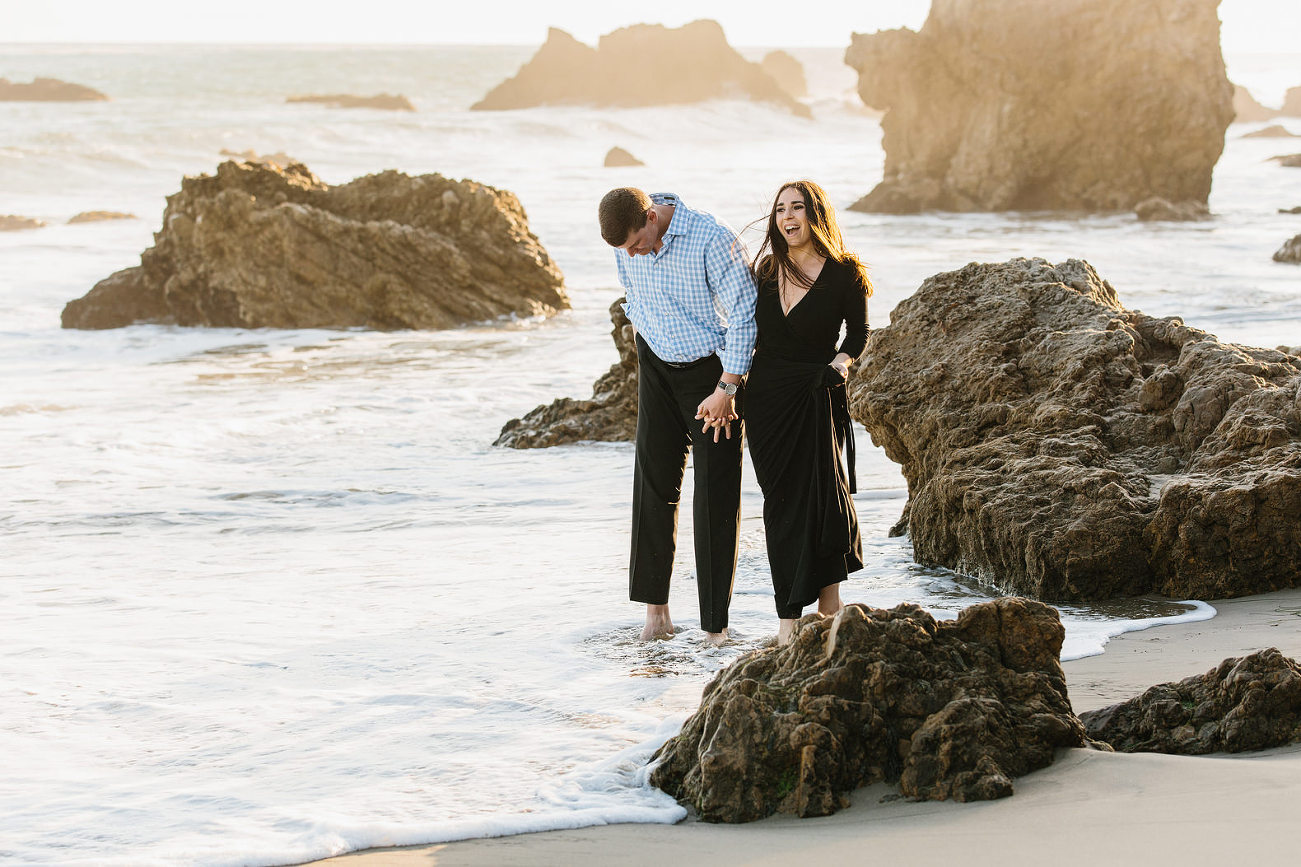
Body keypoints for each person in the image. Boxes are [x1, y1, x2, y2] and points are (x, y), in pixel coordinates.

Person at [598, 187, 758, 645]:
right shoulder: (626, 245)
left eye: (635, 243)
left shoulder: (710, 238)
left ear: (651, 216)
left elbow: (746, 314)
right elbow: (634, 294)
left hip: (712, 375)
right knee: (652, 484)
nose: (633, 254)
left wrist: (727, 387)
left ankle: (715, 628)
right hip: (655, 366)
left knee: (715, 494)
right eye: (623, 250)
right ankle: (656, 615)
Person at [745, 180, 871, 645]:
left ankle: (827, 604)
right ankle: (788, 616)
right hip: (766, 402)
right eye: (780, 209)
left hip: (817, 393)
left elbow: (857, 336)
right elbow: (744, 334)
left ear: (815, 214)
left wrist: (838, 366)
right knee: (781, 506)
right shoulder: (763, 272)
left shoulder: (844, 273)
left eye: (796, 207)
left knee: (821, 499)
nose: (787, 216)